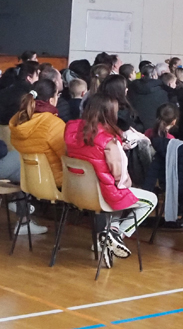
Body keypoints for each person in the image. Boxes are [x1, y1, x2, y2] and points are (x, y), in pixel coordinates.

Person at [65, 93, 158, 265]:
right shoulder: (109, 140)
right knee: (149, 200)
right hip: (103, 194)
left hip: (78, 191)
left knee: (119, 199)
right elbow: (120, 178)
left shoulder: (70, 129)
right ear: (109, 113)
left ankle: (109, 233)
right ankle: (115, 235)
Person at [9, 79, 67, 188]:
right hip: (55, 182)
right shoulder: (53, 124)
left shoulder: (19, 120)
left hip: (29, 180)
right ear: (51, 100)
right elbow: (66, 157)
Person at [0, 61, 42, 126]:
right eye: (37, 75)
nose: (39, 79)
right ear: (29, 78)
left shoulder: (5, 91)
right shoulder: (31, 94)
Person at [129, 67, 171, 132]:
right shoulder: (163, 91)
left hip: (136, 127)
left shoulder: (131, 88)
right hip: (157, 128)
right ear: (154, 76)